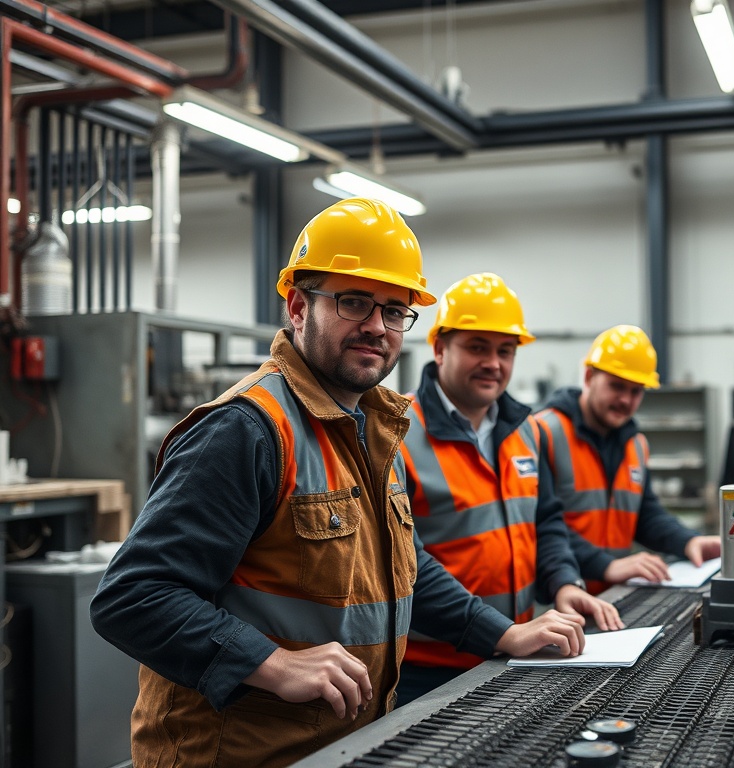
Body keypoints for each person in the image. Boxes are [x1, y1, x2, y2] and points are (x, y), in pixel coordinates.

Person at [89, 200, 589, 768]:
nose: (377, 326)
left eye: (396, 310)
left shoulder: (376, 429)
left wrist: (503, 634)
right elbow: (132, 597)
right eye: (354, 302)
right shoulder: (246, 431)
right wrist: (272, 663)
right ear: (298, 306)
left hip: (344, 745)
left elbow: (406, 569)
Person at [396, 272, 624, 705]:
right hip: (427, 671)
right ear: (440, 348)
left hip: (512, 655)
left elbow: (546, 521)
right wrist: (502, 633)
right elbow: (404, 566)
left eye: (505, 350)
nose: (494, 363)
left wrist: (564, 582)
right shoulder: (397, 433)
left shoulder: (526, 432)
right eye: (477, 347)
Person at [535, 324, 721, 594]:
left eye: (636, 391)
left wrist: (687, 541)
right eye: (617, 386)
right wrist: (605, 565)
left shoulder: (635, 444)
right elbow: (538, 525)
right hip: (556, 599)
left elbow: (645, 516)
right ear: (588, 377)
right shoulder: (543, 433)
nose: (626, 400)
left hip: (613, 595)